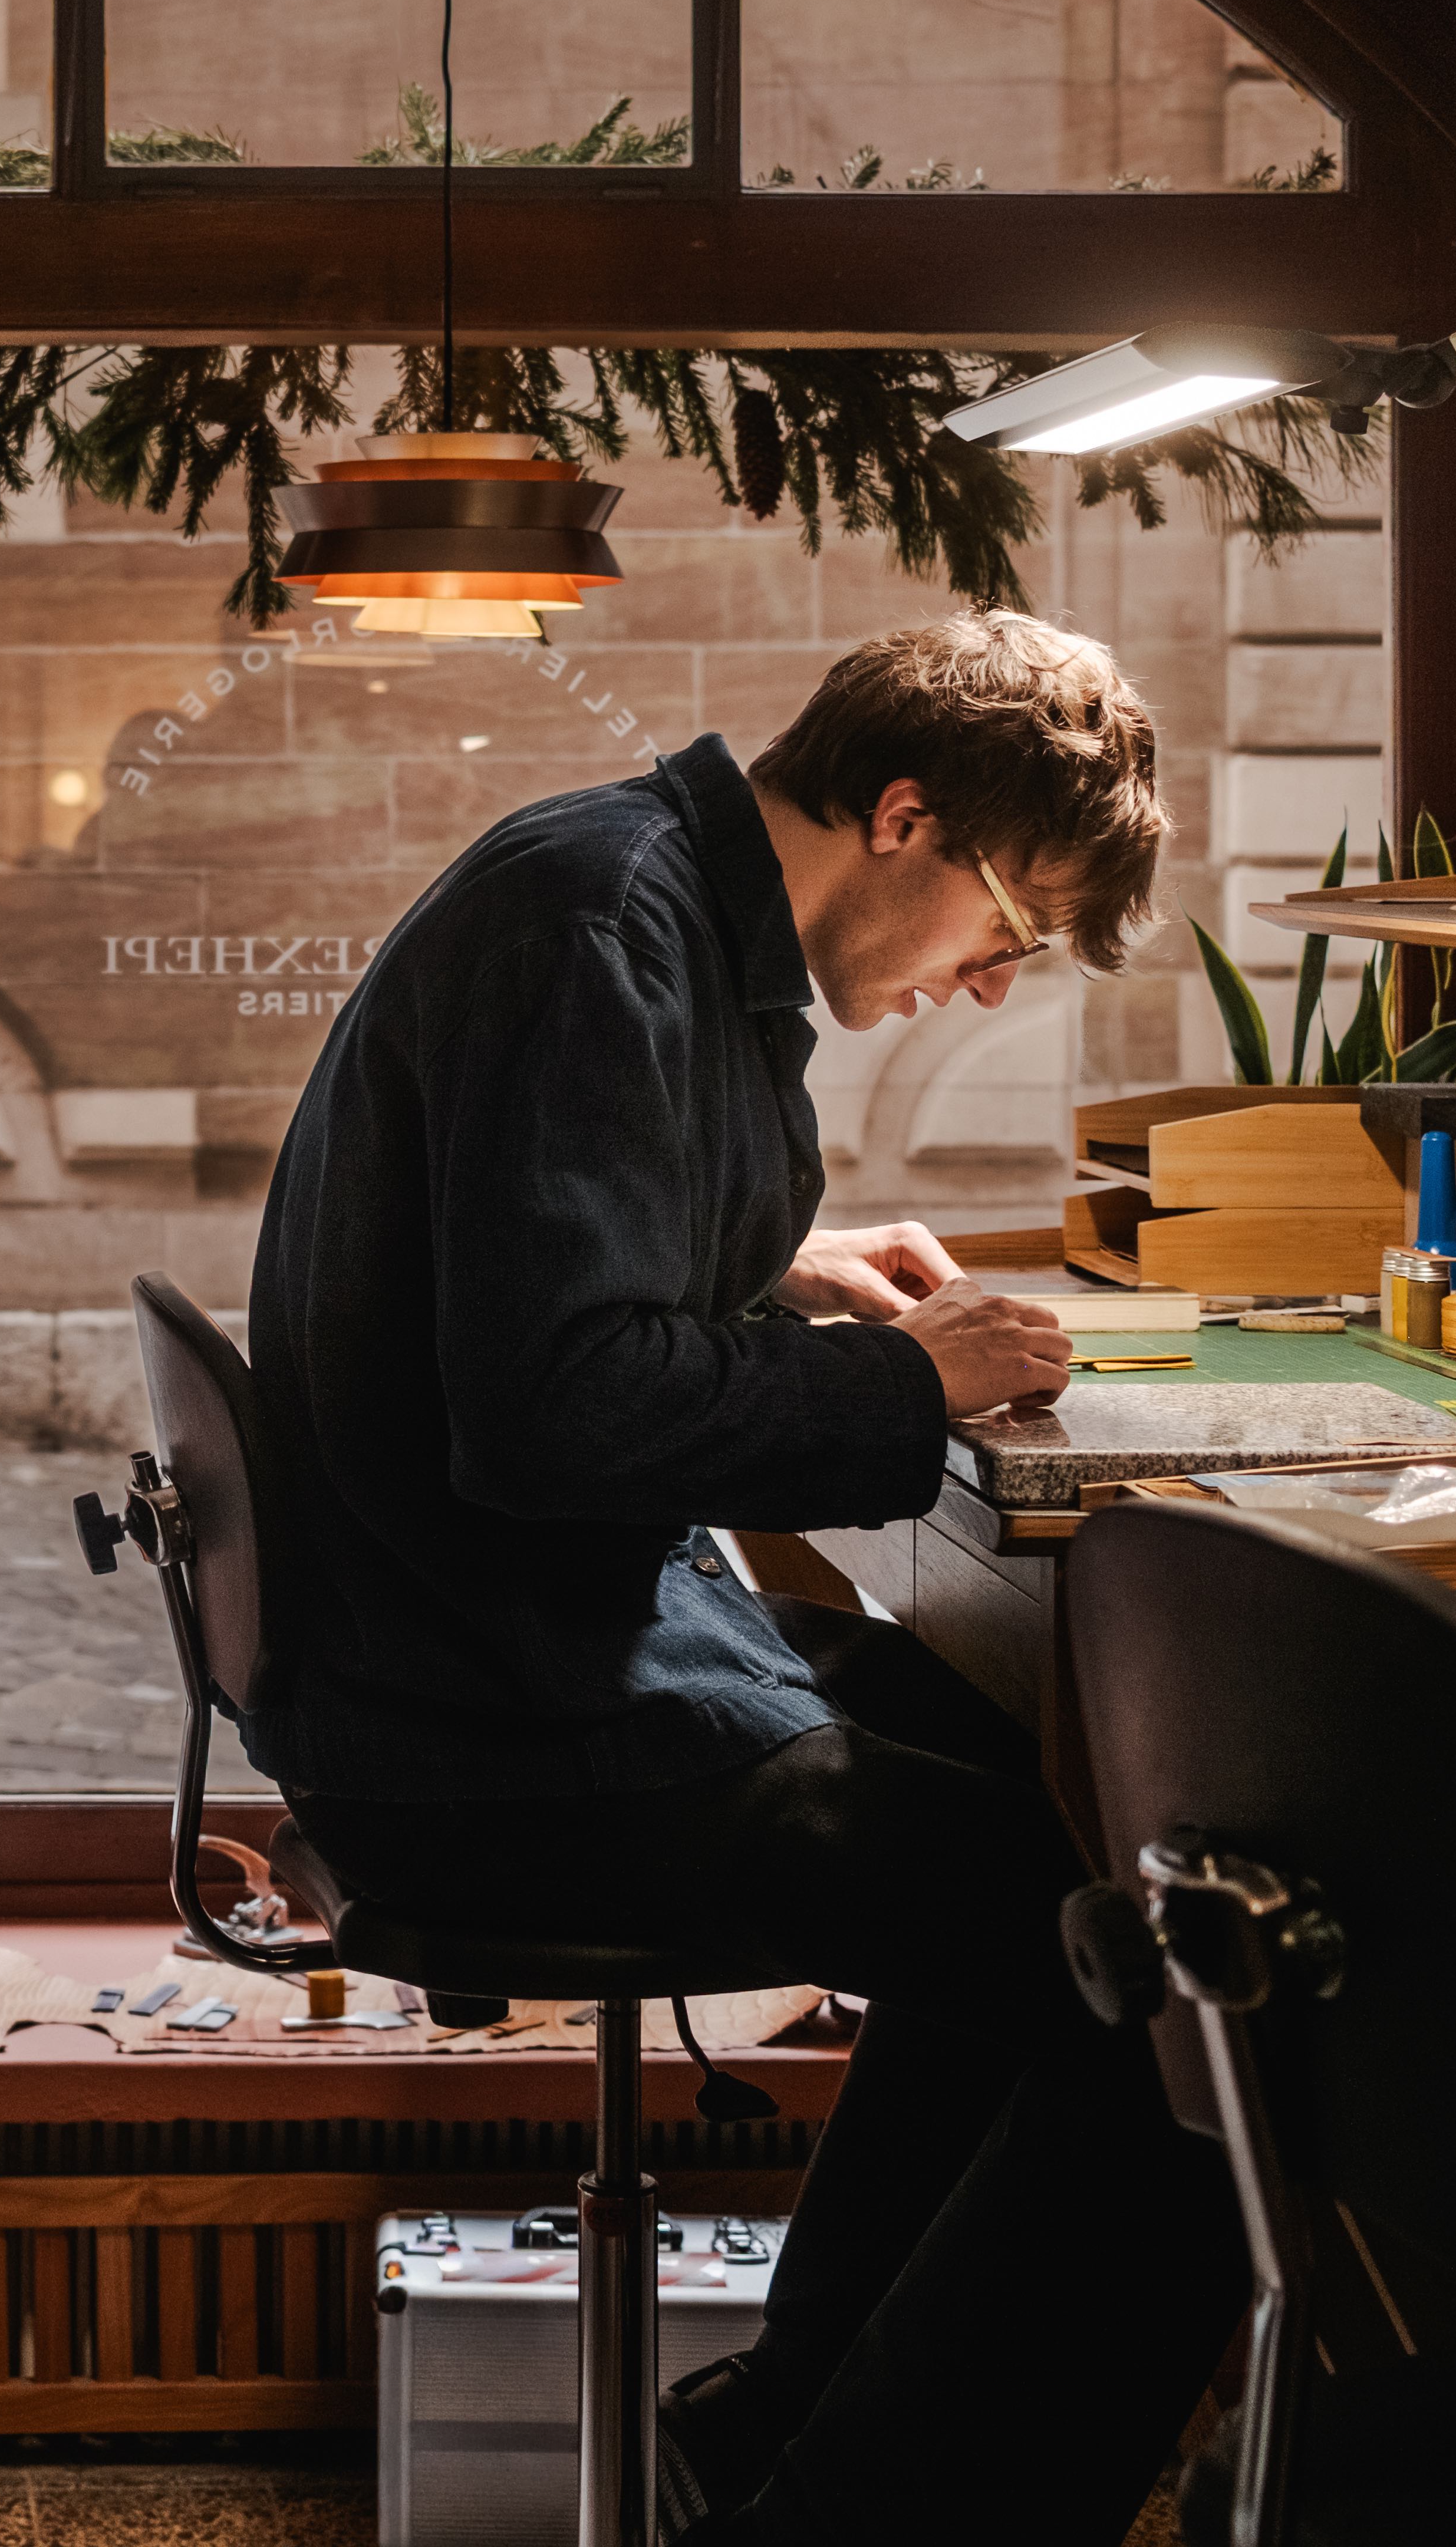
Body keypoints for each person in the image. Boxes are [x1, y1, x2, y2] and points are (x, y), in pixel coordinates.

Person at [245, 612, 1243, 2546]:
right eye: (1004, 932)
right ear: (902, 819)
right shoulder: (600, 929)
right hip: (503, 1726)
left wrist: (775, 1272)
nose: (983, 987)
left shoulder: (637, 897)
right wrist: (902, 1379)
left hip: (495, 1653)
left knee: (1020, 1784)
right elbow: (548, 1413)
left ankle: (781, 2430)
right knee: (1175, 1998)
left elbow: (533, 1274)